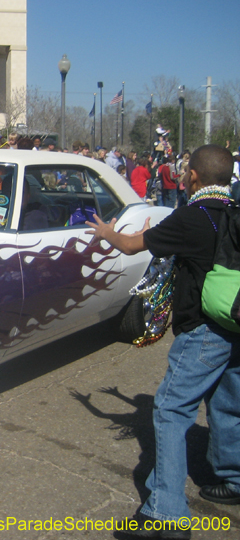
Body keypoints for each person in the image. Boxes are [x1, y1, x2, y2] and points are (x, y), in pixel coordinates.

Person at [86, 144, 240, 536]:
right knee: (226, 403)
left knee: (171, 411)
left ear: (193, 177)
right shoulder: (235, 212)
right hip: (236, 326)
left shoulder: (191, 217)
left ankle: (166, 514)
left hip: (204, 330)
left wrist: (106, 231)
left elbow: (133, 244)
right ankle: (232, 478)